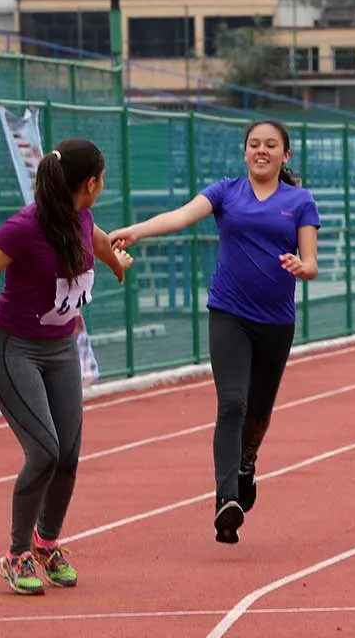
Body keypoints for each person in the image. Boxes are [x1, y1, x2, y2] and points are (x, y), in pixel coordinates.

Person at [110, 121, 320, 544]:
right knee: (232, 404)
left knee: (258, 412)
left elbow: (312, 261)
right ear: (245, 153)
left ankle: (247, 462)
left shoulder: (299, 201)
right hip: (229, 313)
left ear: (286, 155)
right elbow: (182, 216)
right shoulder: (226, 191)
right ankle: (226, 500)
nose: (261, 151)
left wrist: (303, 267)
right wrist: (136, 231)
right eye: (254, 145)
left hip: (276, 322)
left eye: (270, 145)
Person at [0, 138, 133, 595]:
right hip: (12, 347)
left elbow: (94, 239)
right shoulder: (23, 227)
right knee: (44, 452)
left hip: (60, 349)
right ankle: (15, 554)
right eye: (104, 179)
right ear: (91, 183)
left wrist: (116, 262)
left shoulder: (81, 214)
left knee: (69, 455)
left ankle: (46, 543)